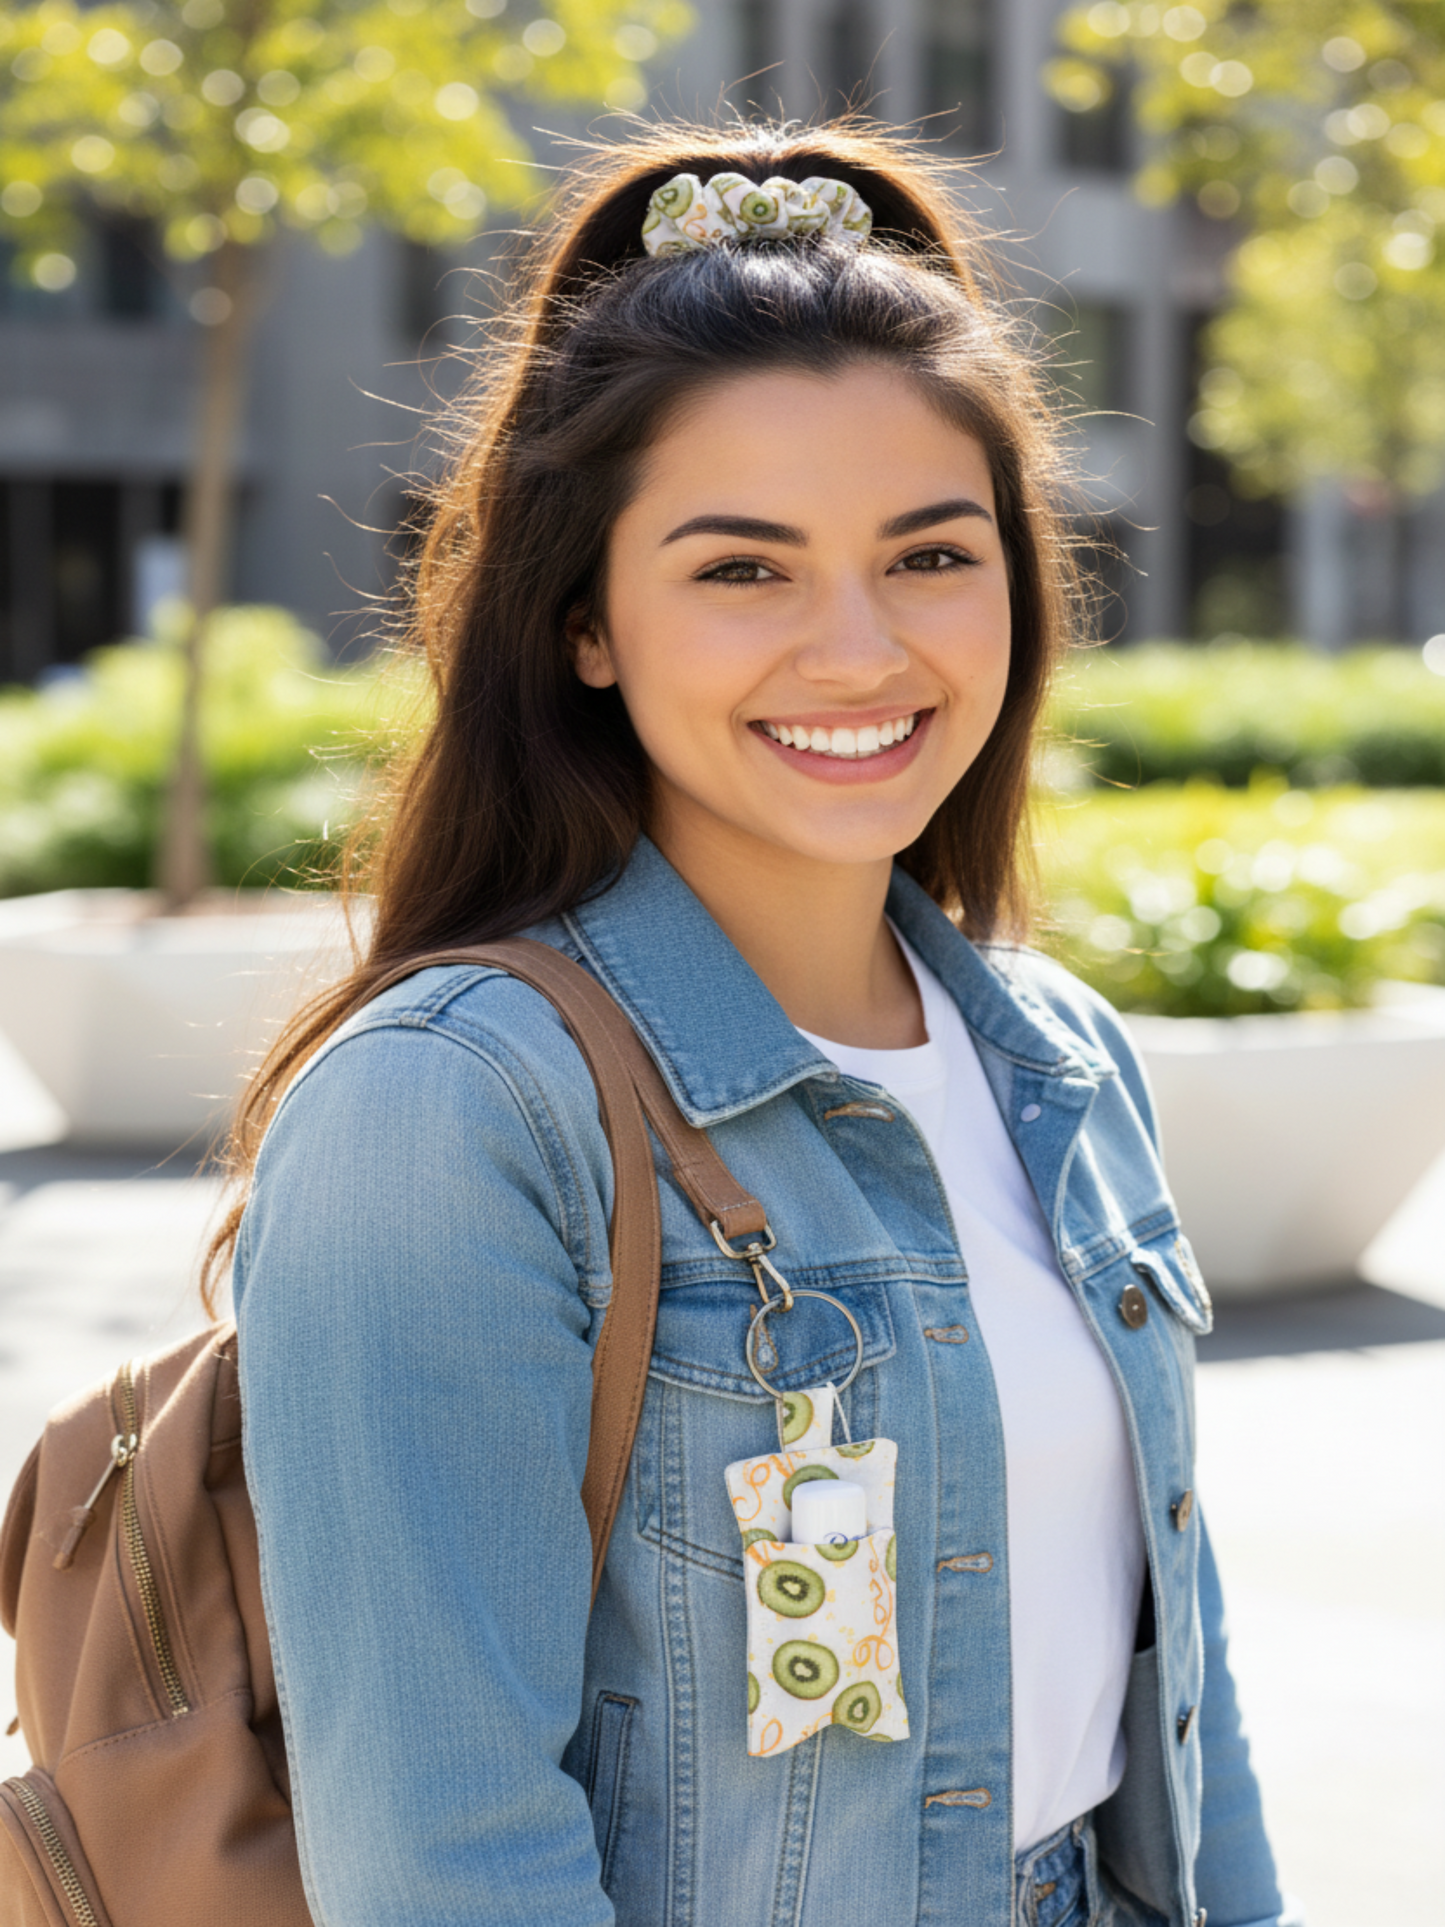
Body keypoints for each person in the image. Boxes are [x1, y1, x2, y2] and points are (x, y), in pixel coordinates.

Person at [221, 122, 1291, 1927]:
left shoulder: (1061, 1057)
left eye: (932, 556)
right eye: (744, 569)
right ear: (584, 624)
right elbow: (443, 1857)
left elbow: (1178, 1687)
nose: (864, 650)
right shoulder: (458, 1112)